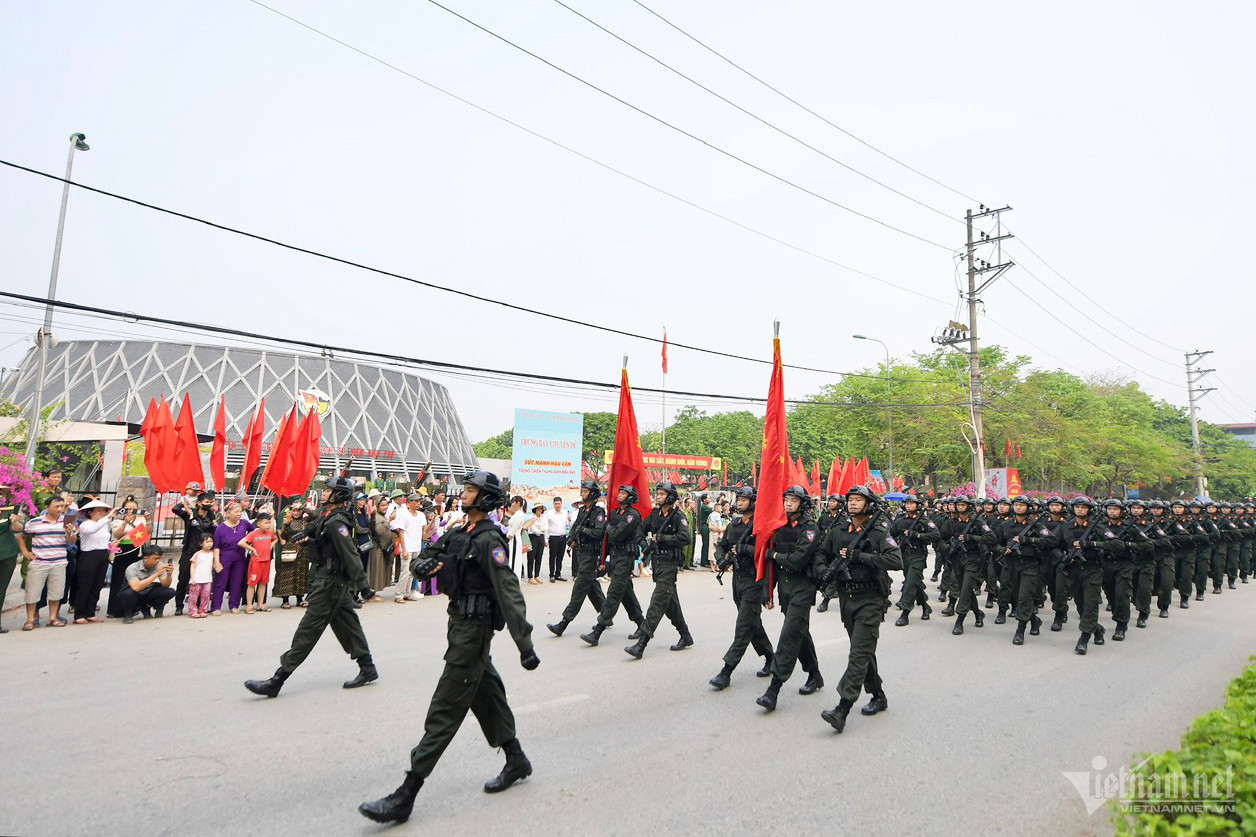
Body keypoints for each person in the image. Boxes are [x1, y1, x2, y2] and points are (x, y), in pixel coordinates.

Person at [358, 471, 539, 825]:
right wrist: (426, 565)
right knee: (486, 695)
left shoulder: (491, 541)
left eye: (471, 491)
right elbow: (431, 555)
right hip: (457, 625)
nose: (465, 495)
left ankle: (406, 793)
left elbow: (509, 593)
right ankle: (516, 758)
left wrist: (525, 645)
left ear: (485, 498)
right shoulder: (460, 532)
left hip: (474, 632)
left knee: (445, 708)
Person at [244, 477, 378, 697]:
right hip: (330, 580)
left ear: (339, 495)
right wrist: (306, 533)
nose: (323, 493)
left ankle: (278, 679)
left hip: (330, 584)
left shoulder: (337, 522)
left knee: (307, 631)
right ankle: (368, 668)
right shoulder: (329, 516)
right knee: (349, 625)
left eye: (328, 490)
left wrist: (364, 587)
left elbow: (350, 554)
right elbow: (316, 525)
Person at [817, 485, 902, 733]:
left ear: (868, 504)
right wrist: (824, 572)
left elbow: (896, 560)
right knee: (863, 651)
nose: (853, 503)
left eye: (859, 500)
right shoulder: (839, 529)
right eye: (851, 499)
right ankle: (878, 695)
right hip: (847, 597)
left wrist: (860, 557)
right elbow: (821, 553)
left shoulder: (877, 530)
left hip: (870, 598)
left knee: (858, 653)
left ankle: (842, 709)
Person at [755, 485, 823, 713]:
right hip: (785, 587)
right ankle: (814, 674)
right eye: (786, 499)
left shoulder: (810, 528)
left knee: (789, 634)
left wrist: (775, 554)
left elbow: (797, 560)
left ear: (802, 504)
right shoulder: (779, 526)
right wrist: (768, 590)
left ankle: (773, 689)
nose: (788, 503)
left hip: (803, 587)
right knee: (800, 632)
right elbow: (770, 563)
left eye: (794, 500)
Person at [708, 485, 774, 690]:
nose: (740, 502)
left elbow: (768, 552)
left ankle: (726, 671)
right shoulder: (735, 524)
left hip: (755, 580)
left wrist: (746, 548)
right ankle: (772, 657)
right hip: (737, 579)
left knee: (744, 625)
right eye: (739, 498)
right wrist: (720, 560)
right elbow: (722, 546)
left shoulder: (761, 526)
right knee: (752, 622)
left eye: (744, 499)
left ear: (754, 501)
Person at [624, 481, 693, 660]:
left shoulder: (678, 517)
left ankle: (642, 644)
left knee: (657, 602)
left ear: (670, 497)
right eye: (658, 494)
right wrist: (642, 543)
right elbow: (640, 528)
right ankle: (685, 636)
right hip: (657, 563)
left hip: (669, 564)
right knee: (670, 604)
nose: (658, 497)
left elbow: (686, 537)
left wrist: (665, 538)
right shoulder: (655, 515)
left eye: (662, 494)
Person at [580, 484, 646, 646]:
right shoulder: (615, 513)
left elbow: (617, 533)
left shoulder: (632, 515)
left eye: (623, 493)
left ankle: (598, 630)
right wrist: (604, 560)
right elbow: (609, 538)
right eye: (620, 492)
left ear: (630, 497)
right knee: (626, 593)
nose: (619, 495)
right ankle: (642, 624)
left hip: (625, 558)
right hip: (615, 556)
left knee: (614, 593)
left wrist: (607, 527)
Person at [1060, 496, 1124, 654]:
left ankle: (1084, 639)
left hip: (1092, 570)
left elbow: (1117, 544)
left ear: (1089, 510)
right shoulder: (1066, 527)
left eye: (1083, 507)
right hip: (1074, 570)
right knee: (1081, 606)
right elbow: (1052, 543)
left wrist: (1092, 544)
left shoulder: (1098, 527)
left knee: (1090, 604)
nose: (1080, 510)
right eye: (1077, 507)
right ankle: (1097, 630)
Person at [547, 480, 608, 636]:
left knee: (580, 587)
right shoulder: (582, 511)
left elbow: (598, 533)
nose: (583, 493)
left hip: (591, 553)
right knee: (591, 586)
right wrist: (571, 539)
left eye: (586, 491)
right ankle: (606, 615)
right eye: (583, 491)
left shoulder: (598, 512)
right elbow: (575, 528)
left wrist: (584, 530)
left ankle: (563, 623)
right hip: (581, 552)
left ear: (593, 494)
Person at [995, 496, 1050, 644]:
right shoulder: (1005, 526)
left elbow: (1051, 540)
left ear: (1028, 508)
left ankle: (1020, 630)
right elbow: (993, 541)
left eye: (1022, 505)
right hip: (1011, 564)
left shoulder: (1036, 526)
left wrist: (1029, 540)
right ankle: (1034, 620)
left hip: (1030, 565)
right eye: (1016, 505)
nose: (1018, 508)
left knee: (1025, 596)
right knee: (1018, 596)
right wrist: (1002, 549)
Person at [19, 495, 76, 630]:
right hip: (39, 562)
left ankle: (53, 618)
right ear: (48, 507)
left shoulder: (66, 522)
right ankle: (30, 620)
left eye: (62, 506)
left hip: (59, 562)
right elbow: (21, 536)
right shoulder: (35, 522)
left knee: (56, 593)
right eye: (57, 506)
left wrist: (69, 533)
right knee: (32, 593)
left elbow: (72, 541)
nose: (60, 509)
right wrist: (25, 553)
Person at [890, 494, 939, 626]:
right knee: (914, 583)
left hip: (918, 555)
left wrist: (917, 535)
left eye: (912, 503)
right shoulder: (900, 520)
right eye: (907, 503)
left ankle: (905, 613)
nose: (909, 505)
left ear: (917, 505)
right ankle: (925, 606)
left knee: (909, 583)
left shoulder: (924, 520)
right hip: (904, 554)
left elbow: (936, 535)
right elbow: (890, 535)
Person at [171, 491, 218, 616]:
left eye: (211, 502)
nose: (209, 504)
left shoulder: (211, 517)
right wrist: (185, 501)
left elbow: (216, 532)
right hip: (189, 551)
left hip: (204, 553)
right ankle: (179, 606)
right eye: (206, 502)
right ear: (199, 503)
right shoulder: (191, 514)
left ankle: (198, 605)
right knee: (183, 579)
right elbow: (175, 509)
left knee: (202, 581)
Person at [72, 499, 114, 624]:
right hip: (89, 556)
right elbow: (92, 530)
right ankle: (79, 614)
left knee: (97, 585)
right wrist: (107, 518)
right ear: (90, 512)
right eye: (98, 511)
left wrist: (111, 546)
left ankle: (90, 612)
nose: (101, 513)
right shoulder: (86, 524)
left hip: (102, 554)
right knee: (85, 585)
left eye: (103, 511)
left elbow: (104, 540)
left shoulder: (104, 525)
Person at [106, 498, 147, 618]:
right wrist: (125, 522)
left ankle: (132, 608)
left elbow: (146, 533)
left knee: (133, 580)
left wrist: (148, 520)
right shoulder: (117, 520)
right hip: (122, 552)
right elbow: (117, 534)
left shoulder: (141, 519)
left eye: (133, 509)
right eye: (128, 508)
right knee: (118, 580)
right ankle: (114, 610)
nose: (130, 511)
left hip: (136, 552)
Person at [211, 502, 255, 615]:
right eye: (236, 512)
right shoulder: (220, 528)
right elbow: (216, 547)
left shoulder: (244, 523)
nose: (238, 514)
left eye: (240, 512)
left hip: (240, 558)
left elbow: (254, 531)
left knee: (237, 582)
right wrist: (217, 562)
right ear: (228, 513)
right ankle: (216, 607)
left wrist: (248, 542)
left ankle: (234, 605)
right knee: (220, 583)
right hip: (224, 558)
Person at [118, 544, 176, 623]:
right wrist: (156, 574)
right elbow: (136, 587)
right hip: (134, 592)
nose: (157, 561)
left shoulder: (160, 565)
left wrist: (169, 575)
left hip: (147, 590)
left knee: (170, 591)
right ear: (145, 558)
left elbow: (166, 585)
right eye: (155, 559)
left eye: (159, 558)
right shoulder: (133, 568)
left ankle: (150, 607)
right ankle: (128, 614)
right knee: (128, 594)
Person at [275, 500, 312, 608]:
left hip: (303, 550)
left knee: (301, 574)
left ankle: (300, 599)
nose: (296, 513)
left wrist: (303, 508)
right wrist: (286, 526)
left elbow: (314, 516)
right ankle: (285, 600)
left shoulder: (305, 520)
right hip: (290, 550)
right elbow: (283, 536)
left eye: (298, 510)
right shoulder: (287, 520)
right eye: (294, 511)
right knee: (287, 574)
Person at [242, 514, 279, 613]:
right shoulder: (253, 534)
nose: (268, 525)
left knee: (263, 583)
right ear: (258, 523)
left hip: (266, 561)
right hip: (256, 562)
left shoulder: (270, 533)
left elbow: (276, 538)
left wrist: (271, 544)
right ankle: (249, 606)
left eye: (269, 523)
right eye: (265, 523)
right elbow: (241, 542)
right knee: (251, 584)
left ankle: (260, 604)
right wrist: (251, 548)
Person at [0, 482, 23, 633]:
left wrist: (15, 522)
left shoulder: (8, 511)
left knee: (1, 589)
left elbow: (18, 528)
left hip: (7, 554)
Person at [367, 495, 397, 593]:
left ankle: (373, 592)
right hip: (378, 548)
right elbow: (379, 530)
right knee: (376, 571)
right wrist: (389, 521)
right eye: (382, 506)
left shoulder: (381, 516)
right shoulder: (376, 516)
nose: (385, 507)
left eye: (386, 505)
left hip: (383, 548)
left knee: (380, 570)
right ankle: (372, 593)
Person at [187, 534, 216, 618]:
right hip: (197, 579)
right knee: (193, 596)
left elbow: (214, 564)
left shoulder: (212, 554)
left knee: (206, 596)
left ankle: (203, 610)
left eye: (211, 541)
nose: (209, 544)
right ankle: (193, 611)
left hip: (207, 579)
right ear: (201, 544)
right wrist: (193, 578)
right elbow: (193, 566)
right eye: (207, 542)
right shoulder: (197, 554)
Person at [545, 497, 569, 582]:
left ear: (561, 504)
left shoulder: (565, 513)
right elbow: (546, 526)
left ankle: (558, 574)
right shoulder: (549, 513)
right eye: (556, 504)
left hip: (563, 537)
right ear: (553, 504)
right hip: (553, 537)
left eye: (559, 503)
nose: (557, 505)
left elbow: (568, 524)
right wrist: (546, 539)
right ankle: (551, 574)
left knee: (560, 557)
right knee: (552, 556)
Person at [504, 496, 528, 575]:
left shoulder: (519, 514)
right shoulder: (517, 514)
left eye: (513, 502)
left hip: (514, 539)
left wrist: (507, 539)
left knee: (513, 560)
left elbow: (514, 530)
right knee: (510, 559)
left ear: (518, 503)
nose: (512, 504)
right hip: (512, 540)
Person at [525, 503, 546, 584]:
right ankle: (530, 576)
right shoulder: (531, 517)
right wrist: (540, 529)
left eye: (541, 509)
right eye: (538, 509)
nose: (539, 510)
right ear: (535, 510)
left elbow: (546, 527)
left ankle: (537, 575)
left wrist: (540, 529)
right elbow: (533, 529)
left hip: (541, 537)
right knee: (531, 557)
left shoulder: (544, 517)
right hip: (533, 537)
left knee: (539, 556)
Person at [696, 493, 713, 569]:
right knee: (706, 544)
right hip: (704, 526)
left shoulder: (705, 506)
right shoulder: (704, 507)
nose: (709, 499)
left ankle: (706, 560)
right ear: (704, 499)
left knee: (708, 544)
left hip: (706, 526)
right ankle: (704, 561)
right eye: (708, 498)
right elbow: (712, 510)